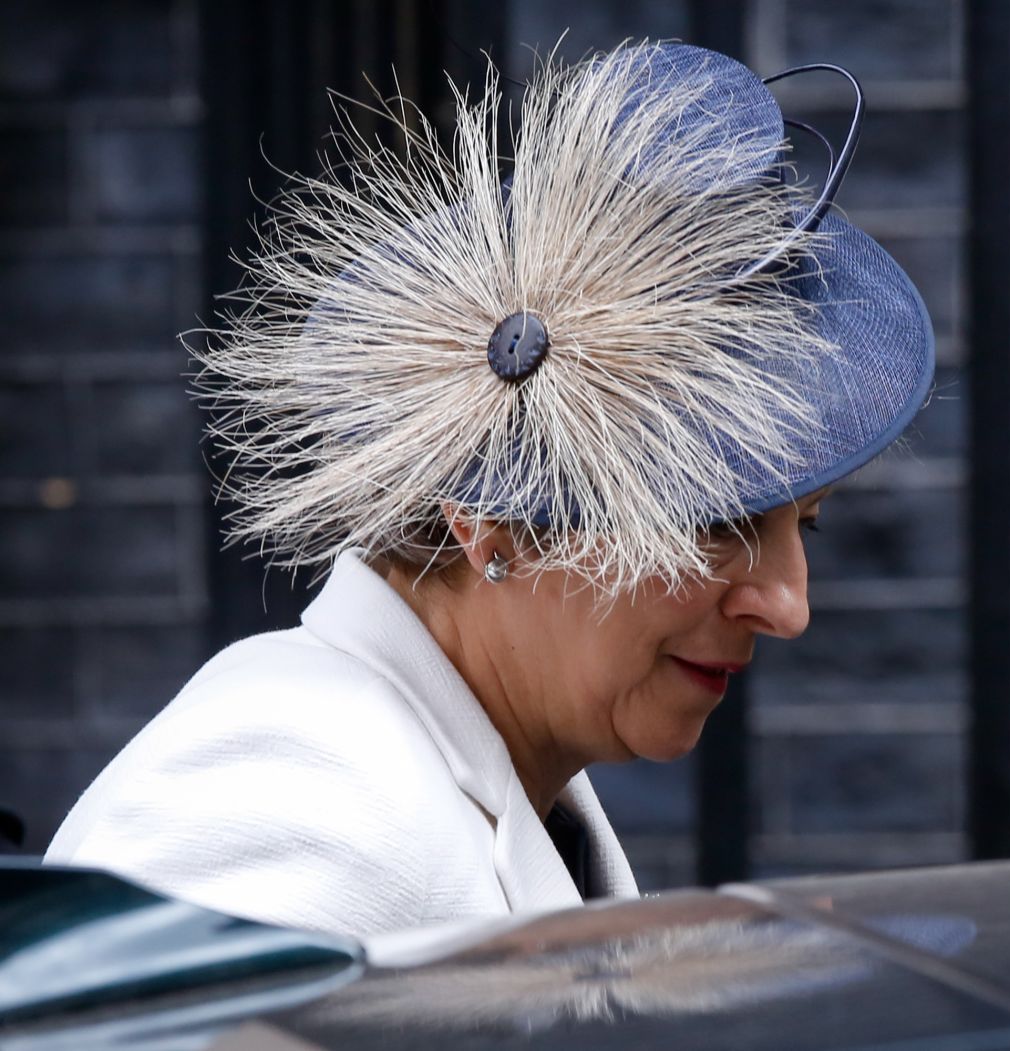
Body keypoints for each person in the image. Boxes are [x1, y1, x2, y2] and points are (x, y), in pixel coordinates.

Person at [45, 41, 934, 939]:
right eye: (712, 522)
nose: (787, 604)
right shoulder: (294, 795)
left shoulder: (478, 776)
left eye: (805, 526)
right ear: (490, 523)